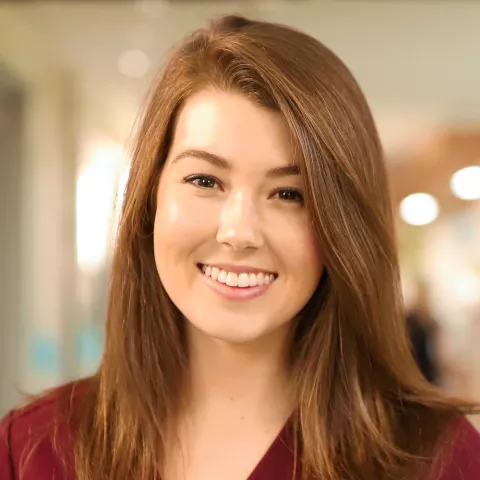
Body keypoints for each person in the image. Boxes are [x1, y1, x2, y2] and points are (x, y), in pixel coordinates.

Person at [1, 15, 479, 480]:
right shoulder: (32, 451)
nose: (239, 232)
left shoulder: (439, 460)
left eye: (290, 194)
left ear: (343, 226)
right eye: (205, 180)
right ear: (149, 200)